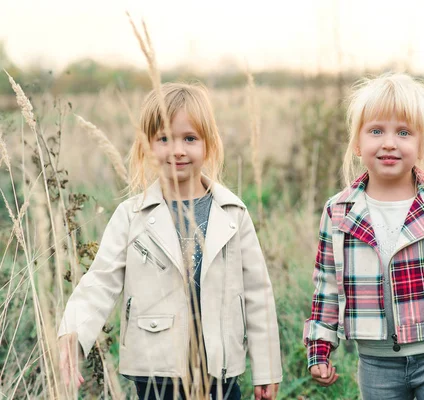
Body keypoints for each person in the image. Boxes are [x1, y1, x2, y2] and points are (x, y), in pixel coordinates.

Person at [58, 82, 282, 400]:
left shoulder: (232, 213)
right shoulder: (131, 215)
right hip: (155, 370)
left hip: (219, 369)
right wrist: (74, 332)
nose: (177, 150)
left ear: (208, 144)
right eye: (164, 139)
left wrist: (267, 368)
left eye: (189, 138)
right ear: (147, 146)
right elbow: (100, 280)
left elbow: (258, 293)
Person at [303, 72, 424, 399]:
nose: (389, 142)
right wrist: (319, 346)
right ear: (357, 143)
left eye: (404, 132)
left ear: (421, 143)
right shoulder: (338, 211)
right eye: (376, 131)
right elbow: (326, 284)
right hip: (377, 362)